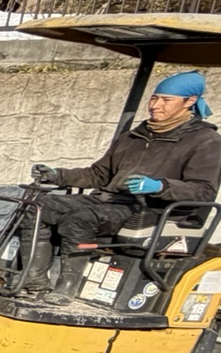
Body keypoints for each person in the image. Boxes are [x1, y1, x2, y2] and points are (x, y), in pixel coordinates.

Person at [25, 70, 219, 296]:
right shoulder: (134, 136)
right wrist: (57, 175)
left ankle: (66, 289)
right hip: (110, 202)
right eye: (154, 98)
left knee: (81, 219)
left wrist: (160, 187)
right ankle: (33, 281)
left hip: (153, 210)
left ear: (190, 101)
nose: (156, 105)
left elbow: (204, 190)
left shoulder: (206, 141)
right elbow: (99, 174)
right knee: (36, 207)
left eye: (166, 100)